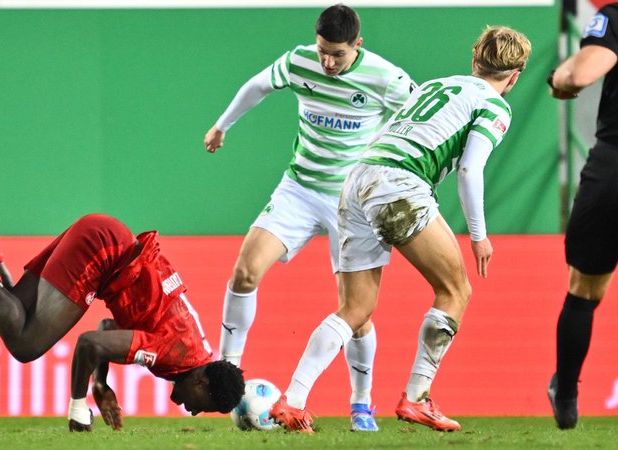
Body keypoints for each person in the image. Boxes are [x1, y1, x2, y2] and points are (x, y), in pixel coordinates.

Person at [269, 26, 532, 433]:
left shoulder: (436, 84)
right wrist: (478, 235)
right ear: (514, 76)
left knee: (356, 310)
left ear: (474, 60)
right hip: (400, 184)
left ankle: (293, 400)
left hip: (356, 178)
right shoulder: (495, 105)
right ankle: (417, 398)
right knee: (455, 290)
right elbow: (469, 168)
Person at [203, 4, 414, 431]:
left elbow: (421, 116)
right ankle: (228, 371)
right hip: (299, 189)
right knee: (244, 272)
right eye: (322, 51)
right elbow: (258, 86)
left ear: (358, 44)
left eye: (337, 54)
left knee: (357, 314)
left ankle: (360, 402)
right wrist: (222, 125)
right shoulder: (300, 60)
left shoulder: (384, 77)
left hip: (353, 201)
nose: (327, 62)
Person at [0, 178, 244, 431]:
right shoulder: (175, 353)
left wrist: (101, 383)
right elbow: (89, 343)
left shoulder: (192, 353)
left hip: (105, 240)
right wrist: (79, 404)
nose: (195, 411)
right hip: (102, 251)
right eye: (204, 406)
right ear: (202, 383)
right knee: (25, 345)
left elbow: (108, 329)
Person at [546, 3, 618, 430]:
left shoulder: (614, 16)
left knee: (585, 290)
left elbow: (581, 74)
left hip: (614, 170)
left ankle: (568, 391)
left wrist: (558, 78)